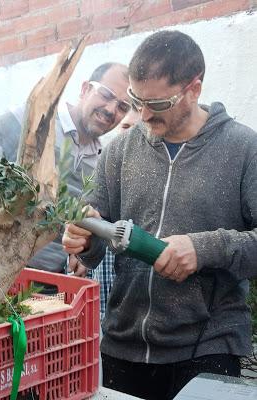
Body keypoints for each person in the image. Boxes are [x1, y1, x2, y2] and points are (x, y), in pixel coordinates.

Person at [62, 30, 257, 400]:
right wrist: (80, 238)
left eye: (159, 103)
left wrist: (204, 248)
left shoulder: (244, 148)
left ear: (194, 88)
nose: (144, 114)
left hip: (208, 347)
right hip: (124, 346)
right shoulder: (120, 151)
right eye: (136, 100)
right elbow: (91, 241)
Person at [0, 62, 130, 280]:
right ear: (85, 89)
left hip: (48, 285)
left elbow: (87, 229)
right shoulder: (33, 119)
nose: (111, 109)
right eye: (106, 95)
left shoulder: (103, 162)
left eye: (123, 107)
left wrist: (82, 251)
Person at [69, 105, 140, 321]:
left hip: (131, 316)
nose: (128, 135)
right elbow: (81, 233)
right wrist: (80, 249)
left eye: (137, 129)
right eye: (125, 126)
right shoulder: (101, 175)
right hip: (96, 315)